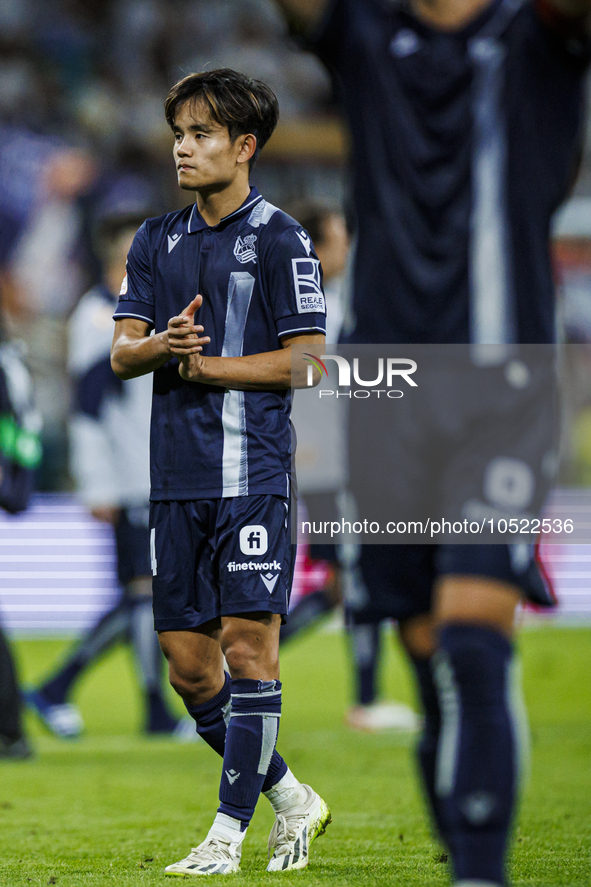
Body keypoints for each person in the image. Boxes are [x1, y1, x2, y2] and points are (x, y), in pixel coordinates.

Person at [271, 1, 591, 886]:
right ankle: (468, 856)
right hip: (386, 388)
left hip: (506, 380)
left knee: (470, 637)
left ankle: (479, 876)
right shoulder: (367, 33)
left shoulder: (538, 31)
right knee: (425, 648)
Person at [110, 69, 331, 876]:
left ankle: (225, 836)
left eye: (201, 134)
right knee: (188, 667)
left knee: (247, 650)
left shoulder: (281, 239)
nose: (182, 147)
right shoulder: (152, 238)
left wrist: (214, 370)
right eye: (178, 133)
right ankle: (292, 796)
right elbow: (120, 350)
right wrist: (160, 348)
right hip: (175, 477)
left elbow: (310, 363)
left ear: (243, 147)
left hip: (252, 475)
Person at [27, 195, 190, 740]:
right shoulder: (100, 320)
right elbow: (89, 410)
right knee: (145, 592)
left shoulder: (130, 316)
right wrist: (96, 482)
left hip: (149, 474)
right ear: (117, 259)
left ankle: (145, 708)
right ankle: (61, 687)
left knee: (145, 592)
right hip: (129, 478)